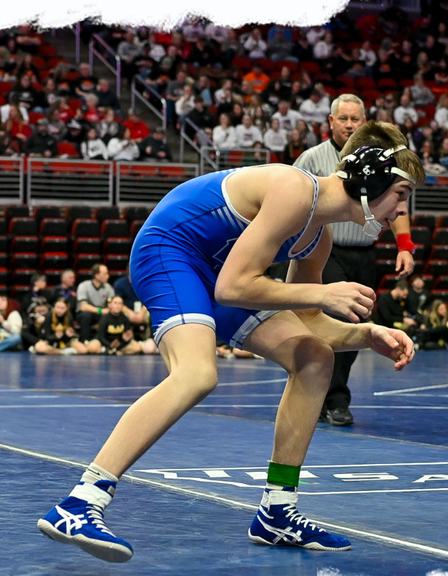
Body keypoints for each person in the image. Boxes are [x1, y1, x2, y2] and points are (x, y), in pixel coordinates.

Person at [39, 121, 424, 563]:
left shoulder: (318, 237)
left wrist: (366, 334)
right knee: (198, 374)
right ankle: (80, 502)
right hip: (171, 251)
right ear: (370, 182)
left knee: (313, 357)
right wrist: (321, 293)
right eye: (400, 195)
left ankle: (277, 513)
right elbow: (234, 288)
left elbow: (310, 324)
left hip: (220, 273)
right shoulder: (294, 189)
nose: (401, 212)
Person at [294, 94, 416, 427]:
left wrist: (404, 245)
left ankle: (330, 396)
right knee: (334, 317)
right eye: (343, 119)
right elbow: (292, 202)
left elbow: (399, 201)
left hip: (364, 252)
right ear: (330, 122)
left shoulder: (381, 160)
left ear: (365, 123)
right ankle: (326, 397)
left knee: (354, 323)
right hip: (322, 251)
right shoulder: (312, 158)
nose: (349, 125)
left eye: (355, 119)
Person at [75, 264, 115, 342]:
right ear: (96, 276)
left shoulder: (108, 287)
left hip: (101, 313)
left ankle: (105, 341)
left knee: (111, 314)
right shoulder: (84, 286)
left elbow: (112, 303)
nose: (108, 276)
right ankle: (85, 340)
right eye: (105, 274)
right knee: (86, 315)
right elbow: (83, 307)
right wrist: (100, 310)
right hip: (85, 313)